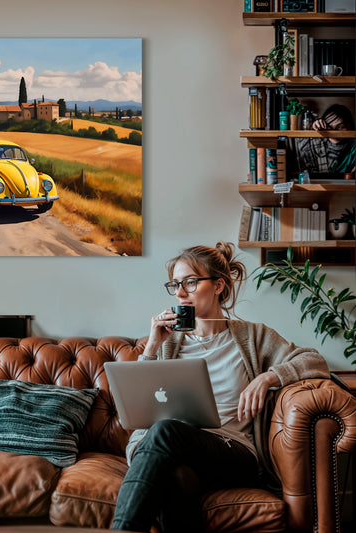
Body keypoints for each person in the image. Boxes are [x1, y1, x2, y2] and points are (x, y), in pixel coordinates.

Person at [111, 242, 330, 533]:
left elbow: (314, 361)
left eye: (190, 282)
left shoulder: (252, 336)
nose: (179, 293)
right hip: (175, 452)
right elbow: (139, 409)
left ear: (218, 286)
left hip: (233, 452)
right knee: (178, 477)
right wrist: (152, 346)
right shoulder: (168, 343)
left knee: (165, 430)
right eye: (175, 284)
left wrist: (268, 378)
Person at [295, 104, 355, 174]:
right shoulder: (313, 144)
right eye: (329, 127)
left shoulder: (353, 148)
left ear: (350, 126)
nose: (334, 131)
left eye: (340, 127)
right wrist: (315, 129)